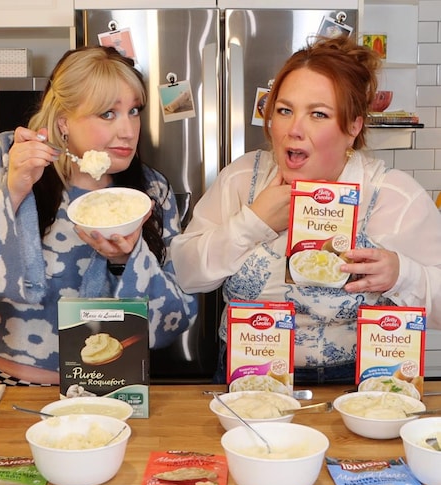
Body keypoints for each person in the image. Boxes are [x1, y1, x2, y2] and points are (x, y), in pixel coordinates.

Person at [171, 35, 441, 385]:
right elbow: (187, 272)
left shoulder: (393, 196)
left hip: (362, 383)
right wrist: (252, 223)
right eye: (284, 110)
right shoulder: (241, 180)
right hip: (250, 376)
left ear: (353, 127)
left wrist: (402, 274)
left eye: (318, 114)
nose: (294, 130)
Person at [0, 46, 197, 386]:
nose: (128, 130)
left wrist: (126, 259)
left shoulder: (151, 192)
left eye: (134, 111)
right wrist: (13, 191)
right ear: (64, 121)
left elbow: (175, 318)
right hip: (4, 388)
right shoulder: (5, 159)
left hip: (108, 389)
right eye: (108, 114)